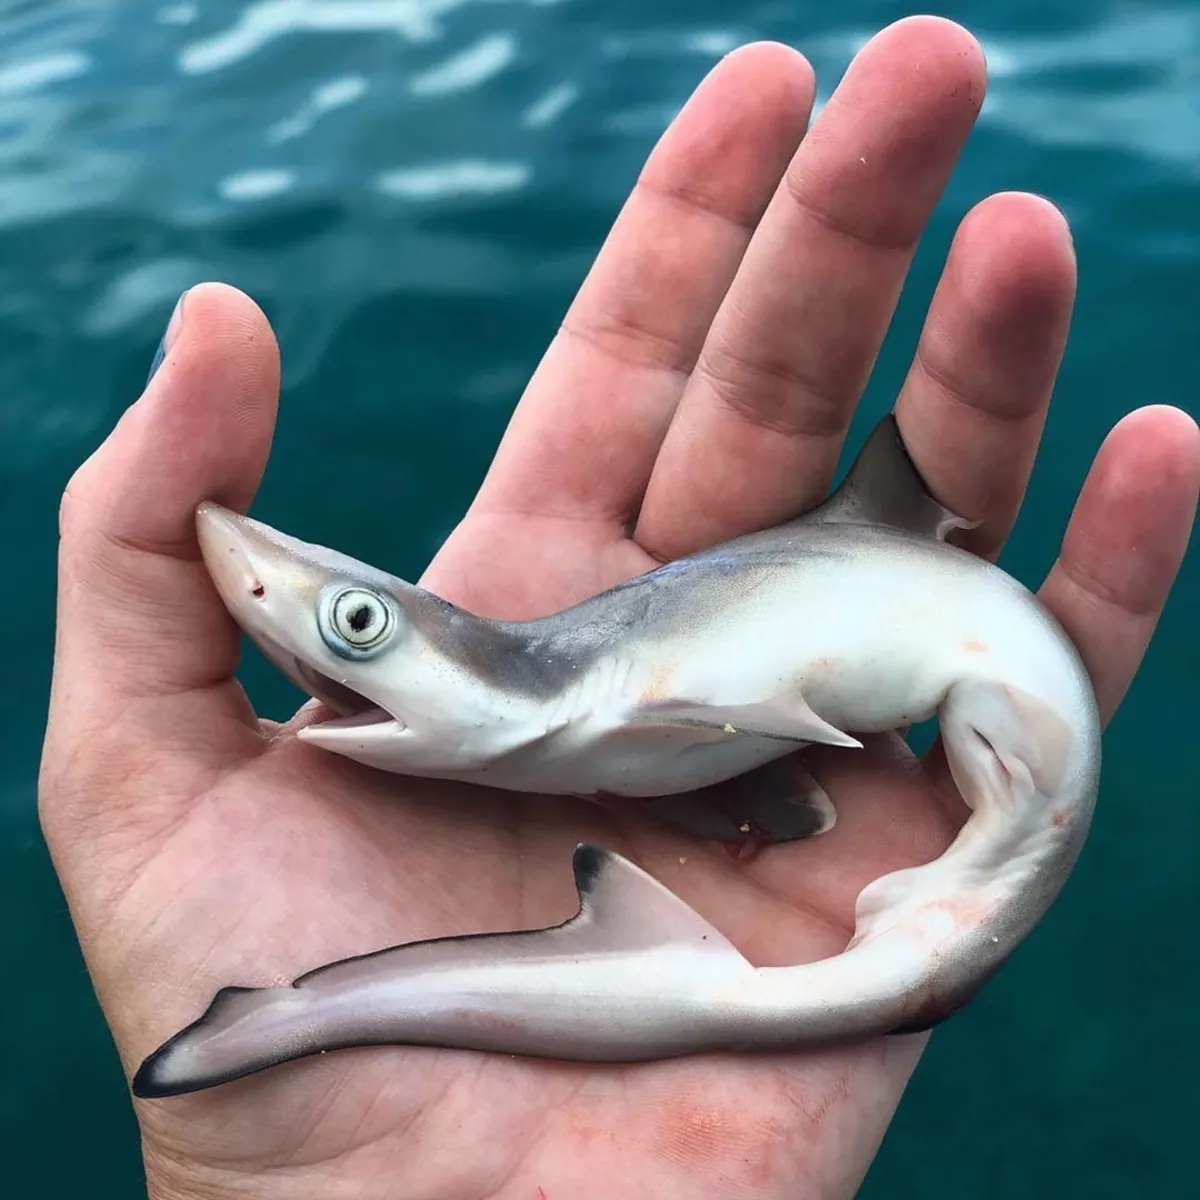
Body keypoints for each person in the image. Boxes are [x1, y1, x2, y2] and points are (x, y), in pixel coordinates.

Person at [38, 16, 1198, 1199]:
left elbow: (737, 751)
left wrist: (765, 747)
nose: (293, 631)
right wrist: (749, 789)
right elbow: (759, 789)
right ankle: (331, 1009)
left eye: (359, 626)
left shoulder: (617, 703)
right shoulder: (619, 753)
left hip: (1004, 716)